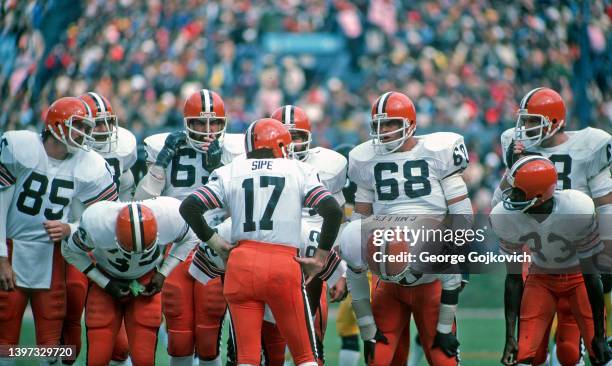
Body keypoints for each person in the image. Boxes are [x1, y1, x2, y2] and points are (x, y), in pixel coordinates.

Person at [179, 118, 343, 365]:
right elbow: (332, 210)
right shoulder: (298, 169)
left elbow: (190, 206)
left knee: (246, 357)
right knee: (305, 355)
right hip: (283, 263)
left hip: (240, 264)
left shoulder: (230, 170)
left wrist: (215, 242)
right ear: (281, 144)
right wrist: (320, 258)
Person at [347, 91, 472, 364]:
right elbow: (360, 217)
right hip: (387, 274)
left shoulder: (437, 151)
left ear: (410, 123)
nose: (384, 131)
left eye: (390, 123)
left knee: (443, 358)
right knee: (380, 359)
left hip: (432, 275)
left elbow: (462, 212)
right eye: (379, 125)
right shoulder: (365, 158)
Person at [494, 87, 612, 365]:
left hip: (583, 253)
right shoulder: (517, 146)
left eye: (533, 121)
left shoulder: (589, 146)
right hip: (538, 251)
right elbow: (500, 205)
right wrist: (513, 169)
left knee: (574, 351)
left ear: (556, 121)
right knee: (531, 349)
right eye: (523, 120)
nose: (525, 128)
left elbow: (606, 205)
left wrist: (607, 255)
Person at [0, 97, 117, 365]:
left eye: (87, 129)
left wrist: (71, 227)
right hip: (13, 246)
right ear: (57, 125)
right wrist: (1, 256)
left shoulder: (89, 164)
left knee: (52, 345)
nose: (85, 134)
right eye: (79, 126)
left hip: (52, 255)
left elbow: (104, 216)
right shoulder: (21, 147)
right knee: (5, 339)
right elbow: (1, 202)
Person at [135, 88, 243, 366]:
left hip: (215, 242)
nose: (208, 130)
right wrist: (161, 163)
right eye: (199, 122)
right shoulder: (162, 144)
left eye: (215, 122)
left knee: (208, 337)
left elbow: (241, 205)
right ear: (187, 122)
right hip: (175, 243)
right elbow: (141, 204)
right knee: (180, 337)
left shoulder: (235, 150)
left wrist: (222, 164)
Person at [61, 197, 198, 365]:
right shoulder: (96, 223)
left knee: (144, 358)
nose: (136, 255)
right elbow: (68, 249)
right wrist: (104, 282)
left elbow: (191, 237)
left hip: (146, 279)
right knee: (98, 355)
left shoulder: (170, 215)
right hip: (107, 279)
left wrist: (163, 272)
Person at [59, 91, 138, 365]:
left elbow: (126, 199)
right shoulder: (68, 156)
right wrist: (71, 227)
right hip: (75, 243)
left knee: (121, 347)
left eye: (108, 122)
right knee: (68, 318)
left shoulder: (124, 149)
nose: (104, 130)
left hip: (108, 246)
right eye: (98, 123)